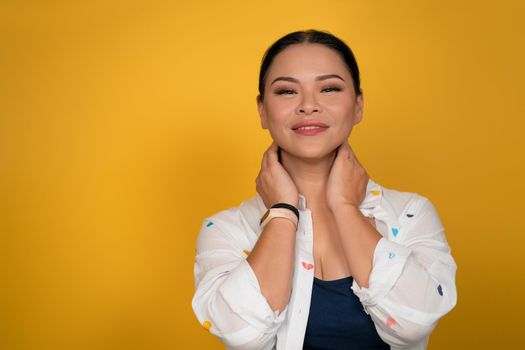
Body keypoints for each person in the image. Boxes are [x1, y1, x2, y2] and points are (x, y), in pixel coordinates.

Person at [191, 29, 457, 350]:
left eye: (329, 88)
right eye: (287, 91)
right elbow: (241, 336)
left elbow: (415, 322)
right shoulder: (226, 229)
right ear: (262, 110)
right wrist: (283, 212)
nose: (308, 106)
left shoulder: (410, 213)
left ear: (358, 106)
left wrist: (344, 206)